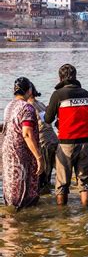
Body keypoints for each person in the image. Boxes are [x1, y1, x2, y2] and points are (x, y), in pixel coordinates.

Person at [45, 64, 88, 206]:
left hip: (67, 144)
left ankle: (63, 218)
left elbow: (48, 119)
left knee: (62, 184)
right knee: (84, 183)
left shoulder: (58, 95)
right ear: (75, 76)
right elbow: (86, 117)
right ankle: (87, 215)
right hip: (86, 143)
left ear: (60, 77)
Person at [2, 77, 44, 209]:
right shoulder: (27, 108)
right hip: (21, 154)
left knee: (11, 188)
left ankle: (11, 222)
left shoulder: (9, 106)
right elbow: (26, 134)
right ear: (29, 90)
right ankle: (21, 224)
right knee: (23, 192)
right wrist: (39, 157)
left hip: (7, 153)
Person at [28, 83, 59, 193]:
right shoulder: (40, 104)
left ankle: (43, 199)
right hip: (54, 140)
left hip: (43, 142)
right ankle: (49, 194)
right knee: (49, 173)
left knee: (41, 174)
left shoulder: (28, 106)